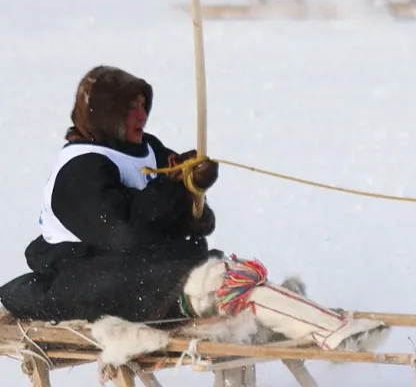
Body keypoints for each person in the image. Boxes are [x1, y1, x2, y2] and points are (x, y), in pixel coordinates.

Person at [0, 67, 385, 351]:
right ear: (104, 115)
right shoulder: (81, 169)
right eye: (128, 109)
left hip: (151, 272)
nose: (141, 116)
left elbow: (192, 223)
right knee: (223, 283)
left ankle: (303, 332)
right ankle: (332, 332)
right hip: (96, 280)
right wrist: (174, 187)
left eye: (141, 106)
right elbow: (123, 233)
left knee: (225, 279)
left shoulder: (146, 148)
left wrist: (192, 191)